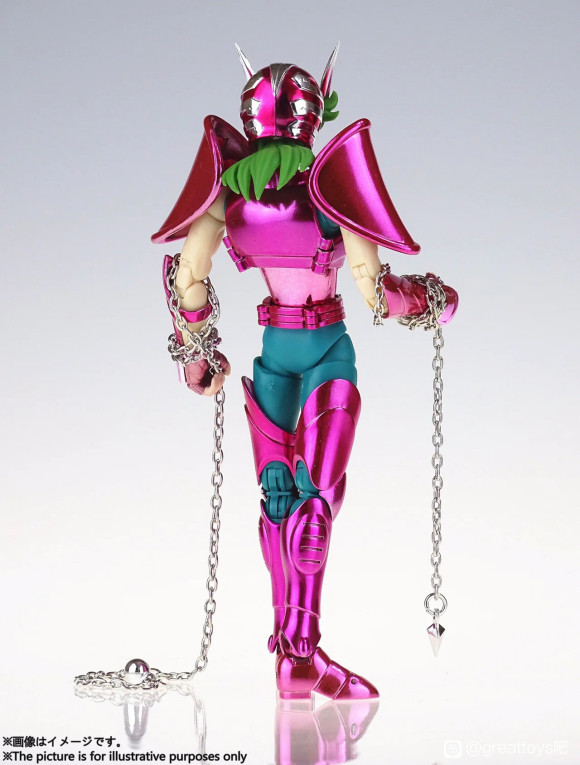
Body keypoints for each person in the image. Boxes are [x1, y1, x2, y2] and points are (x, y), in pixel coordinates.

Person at [152, 45, 458, 701]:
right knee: (313, 501)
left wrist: (196, 356)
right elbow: (377, 293)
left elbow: (186, 278)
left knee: (280, 502)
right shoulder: (328, 189)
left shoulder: (232, 196)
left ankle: (293, 655)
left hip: (273, 357)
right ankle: (301, 653)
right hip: (325, 352)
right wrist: (434, 301)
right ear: (313, 116)